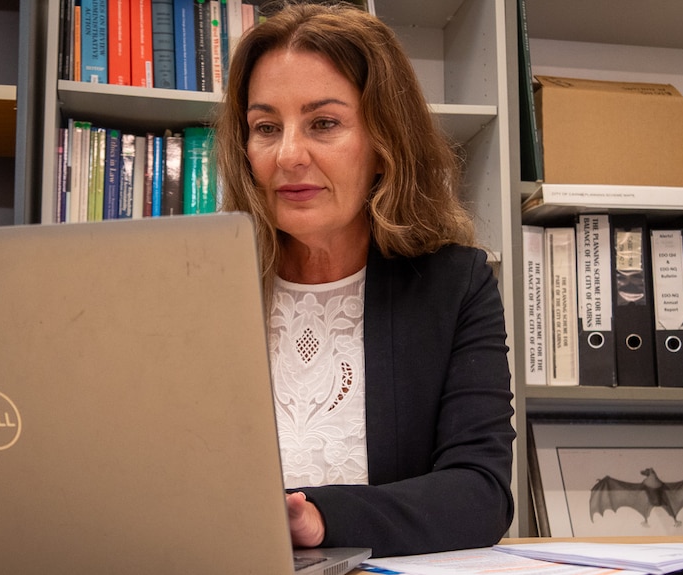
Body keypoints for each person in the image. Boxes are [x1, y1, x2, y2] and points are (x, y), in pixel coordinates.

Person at [215, 1, 515, 558]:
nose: (288, 155)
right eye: (265, 127)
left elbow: (480, 492)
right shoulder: (202, 289)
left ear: (384, 144)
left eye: (323, 123)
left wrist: (322, 519)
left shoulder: (455, 285)